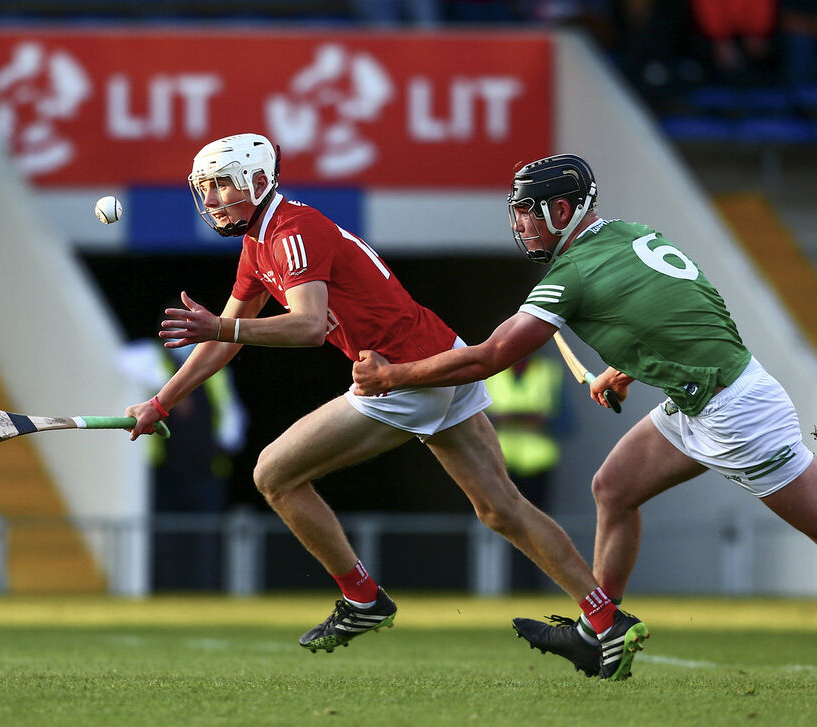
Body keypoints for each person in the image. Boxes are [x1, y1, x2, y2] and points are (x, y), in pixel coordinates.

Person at [352, 153, 817, 684]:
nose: (521, 224)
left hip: (736, 412)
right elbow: (680, 310)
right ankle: (602, 634)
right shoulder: (627, 234)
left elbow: (491, 357)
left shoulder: (569, 277)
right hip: (708, 390)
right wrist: (628, 366)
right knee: (613, 488)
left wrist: (390, 376)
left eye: (530, 212)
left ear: (564, 208)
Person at [124, 133, 647, 680]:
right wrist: (163, 401)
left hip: (403, 376)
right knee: (501, 508)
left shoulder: (291, 230)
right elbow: (223, 342)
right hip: (440, 357)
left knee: (274, 474)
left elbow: (304, 326)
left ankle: (362, 597)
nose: (212, 198)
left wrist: (223, 324)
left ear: (259, 181)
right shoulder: (259, 243)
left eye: (223, 184)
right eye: (205, 188)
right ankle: (606, 619)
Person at [121, 322, 248, 591]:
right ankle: (163, 590)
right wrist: (172, 391)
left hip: (205, 469)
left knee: (204, 538)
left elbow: (231, 415)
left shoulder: (216, 366)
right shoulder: (152, 358)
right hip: (165, 469)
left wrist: (225, 444)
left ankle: (204, 591)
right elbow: (123, 359)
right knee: (163, 537)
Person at [485, 352, 567, 590]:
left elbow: (564, 422)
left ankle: (533, 586)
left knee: (539, 527)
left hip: (538, 463)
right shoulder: (490, 374)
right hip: (501, 464)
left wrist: (509, 417)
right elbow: (478, 420)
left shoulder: (549, 373)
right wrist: (529, 417)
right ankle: (496, 587)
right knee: (500, 524)